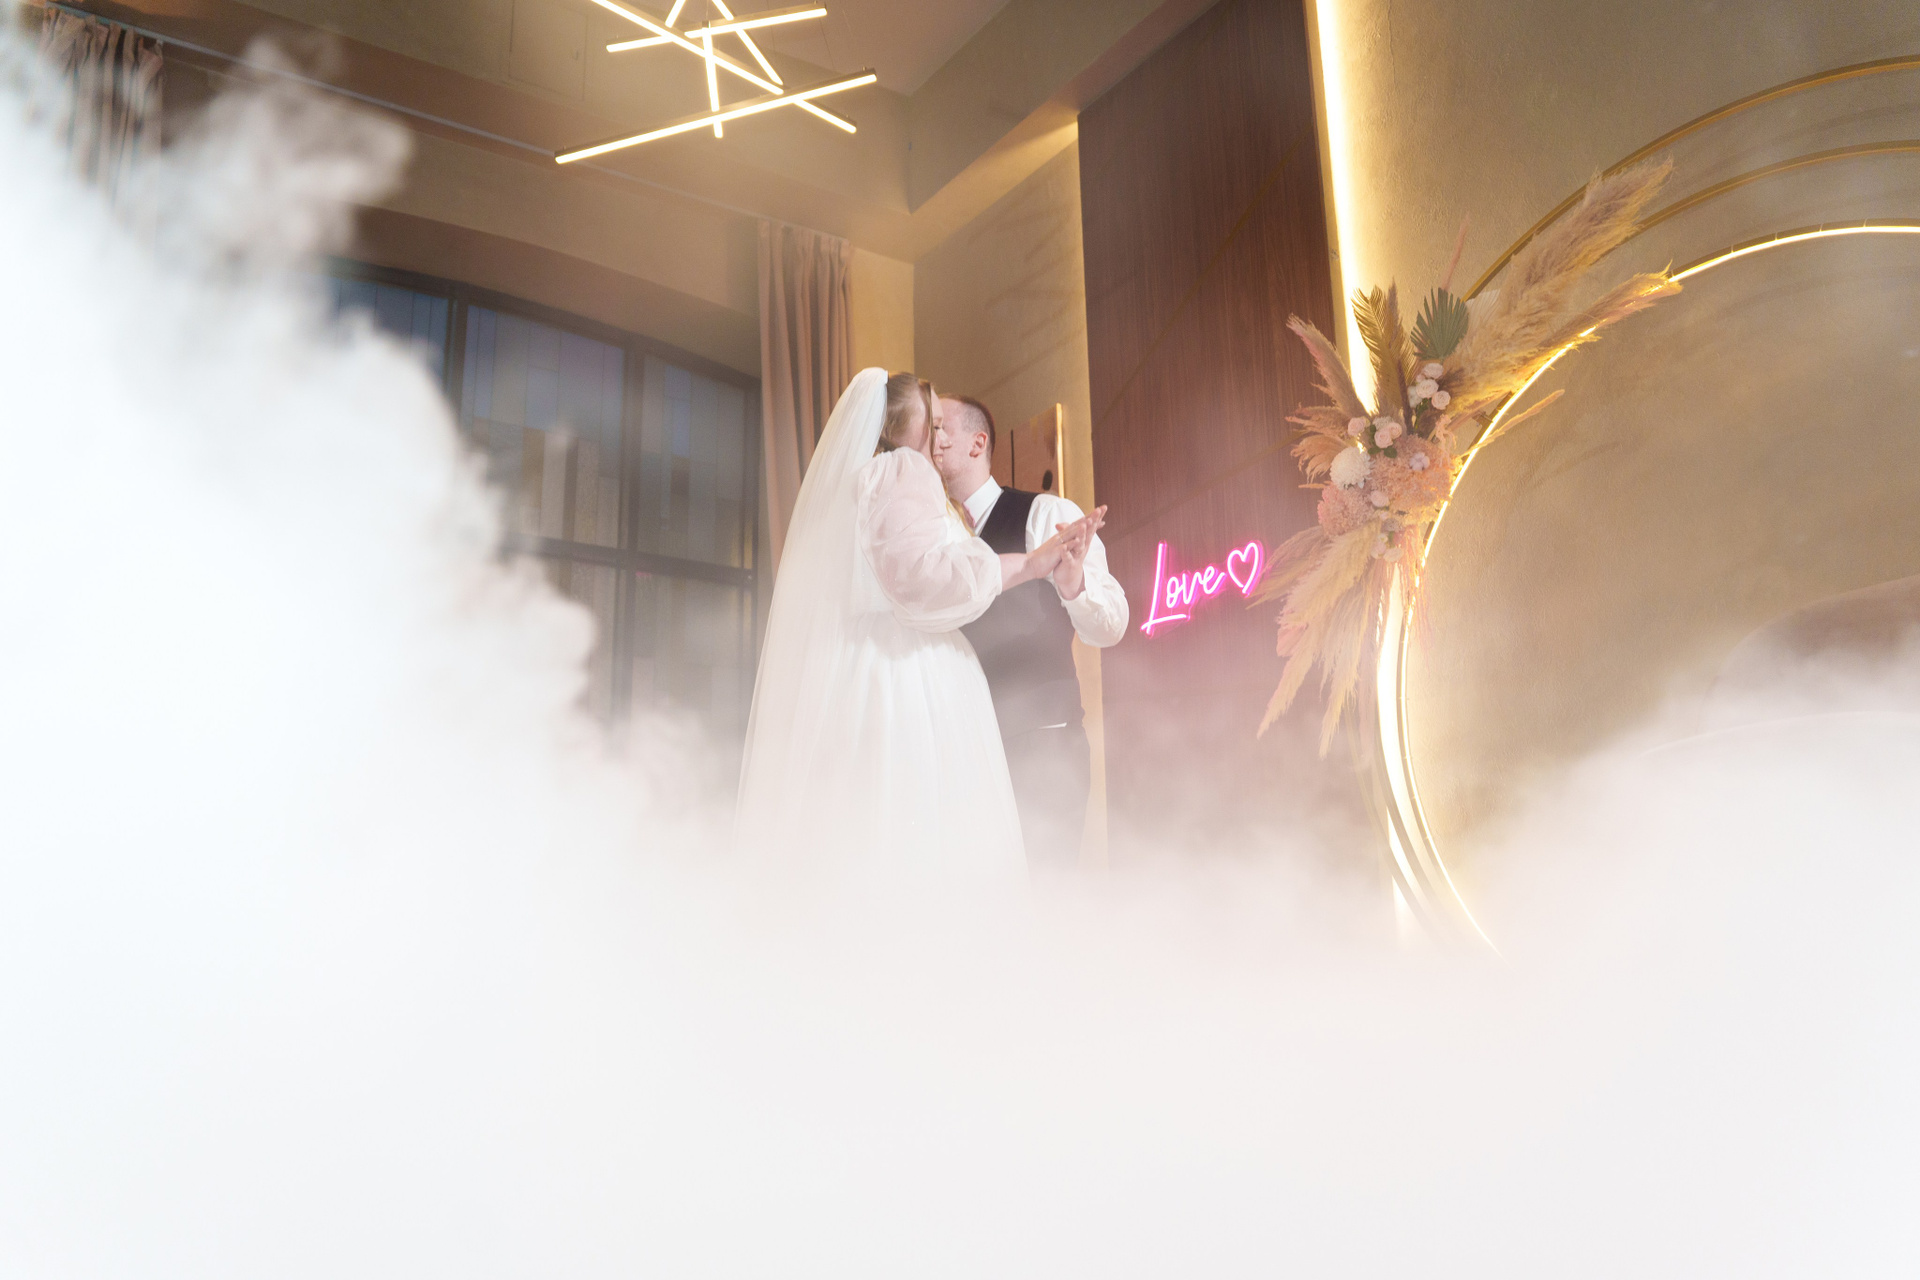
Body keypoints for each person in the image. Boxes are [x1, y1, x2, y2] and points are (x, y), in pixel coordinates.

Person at [735, 368, 1105, 878]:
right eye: (933, 424)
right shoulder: (904, 469)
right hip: (910, 675)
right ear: (906, 428)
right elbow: (923, 578)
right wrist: (1028, 564)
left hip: (884, 681)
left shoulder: (859, 482)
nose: (939, 438)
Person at [932, 395, 1128, 866]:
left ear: (977, 442)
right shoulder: (932, 536)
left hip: (1044, 748)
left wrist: (1073, 584)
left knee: (1046, 891)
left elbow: (1112, 625)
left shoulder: (1045, 514)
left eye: (941, 428)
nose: (931, 438)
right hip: (965, 755)